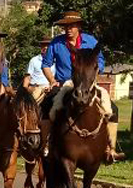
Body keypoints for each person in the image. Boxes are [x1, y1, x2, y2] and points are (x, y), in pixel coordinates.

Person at [42, 10, 123, 162]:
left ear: (79, 26)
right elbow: (46, 65)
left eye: (72, 26)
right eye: (65, 26)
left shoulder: (91, 41)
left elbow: (100, 62)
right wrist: (52, 80)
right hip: (65, 82)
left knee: (113, 109)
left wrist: (91, 76)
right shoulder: (56, 42)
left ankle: (110, 149)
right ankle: (45, 144)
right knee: (47, 105)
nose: (68, 29)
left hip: (87, 82)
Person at [22, 35, 54, 102]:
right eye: (43, 45)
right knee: (32, 106)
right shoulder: (34, 60)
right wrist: (26, 89)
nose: (45, 47)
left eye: (48, 45)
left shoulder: (56, 61)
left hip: (51, 88)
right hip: (37, 88)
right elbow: (27, 78)